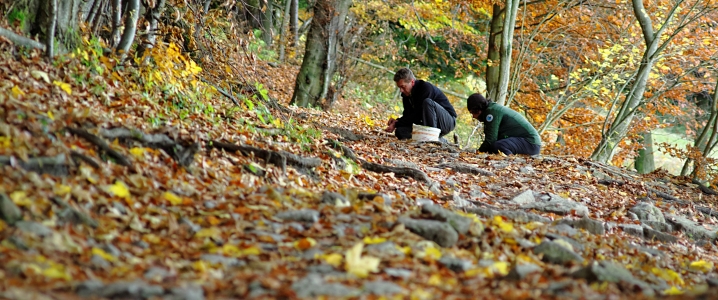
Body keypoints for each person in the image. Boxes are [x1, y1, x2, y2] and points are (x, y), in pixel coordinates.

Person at [385, 68, 457, 142]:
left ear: (412, 82)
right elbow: (408, 116)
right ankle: (438, 140)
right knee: (400, 131)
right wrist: (396, 122)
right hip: (426, 122)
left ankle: (432, 139)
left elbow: (418, 114)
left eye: (403, 87)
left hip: (447, 121)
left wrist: (396, 123)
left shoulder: (425, 88)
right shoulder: (406, 95)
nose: (401, 90)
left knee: (427, 102)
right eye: (399, 87)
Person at [467, 93, 542, 155]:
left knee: (497, 146)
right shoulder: (492, 109)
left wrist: (478, 153)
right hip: (530, 143)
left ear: (478, 109)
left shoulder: (492, 112)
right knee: (494, 147)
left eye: (472, 112)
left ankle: (510, 162)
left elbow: (490, 140)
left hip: (530, 143)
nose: (473, 116)